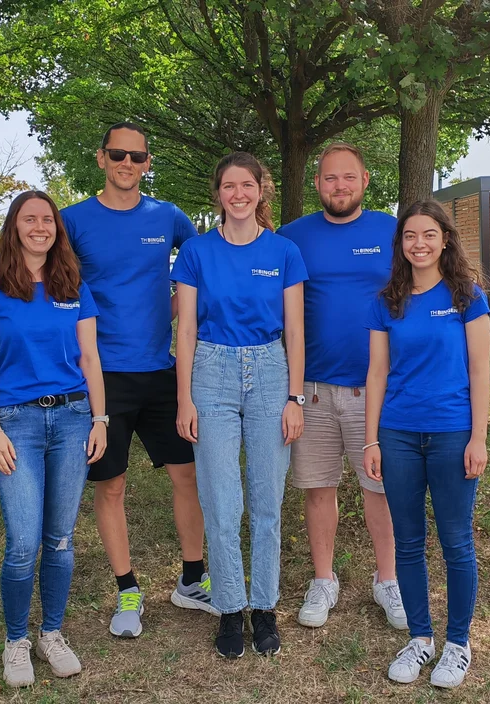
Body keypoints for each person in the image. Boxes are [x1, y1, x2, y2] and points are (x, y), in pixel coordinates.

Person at [60, 122, 215, 639]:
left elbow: (202, 267)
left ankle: (192, 581)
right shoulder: (73, 221)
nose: (127, 163)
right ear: (101, 158)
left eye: (137, 156)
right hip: (102, 379)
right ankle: (128, 588)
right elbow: (51, 287)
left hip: (161, 373)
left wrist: (174, 307)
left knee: (187, 475)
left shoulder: (168, 217)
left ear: (148, 162)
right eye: (118, 154)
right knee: (111, 484)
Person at [0, 190, 109, 688]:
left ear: (56, 229)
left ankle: (51, 633)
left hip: (72, 420)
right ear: (14, 228)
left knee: (61, 539)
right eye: (29, 219)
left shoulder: (74, 286)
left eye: (47, 219)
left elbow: (90, 360)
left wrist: (100, 419)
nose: (40, 227)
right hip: (16, 425)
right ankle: (16, 641)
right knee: (24, 543)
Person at [171, 152, 307, 658]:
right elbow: (184, 329)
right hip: (211, 371)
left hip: (271, 371)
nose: (238, 194)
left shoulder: (285, 251)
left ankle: (264, 607)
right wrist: (184, 396)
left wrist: (295, 396)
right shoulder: (196, 252)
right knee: (222, 498)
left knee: (267, 498)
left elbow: (295, 330)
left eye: (246, 185)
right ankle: (230, 608)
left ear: (261, 191)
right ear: (219, 194)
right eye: (229, 186)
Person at [362, 199, 490, 689]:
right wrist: (372, 439)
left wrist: (478, 437)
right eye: (410, 235)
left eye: (428, 235)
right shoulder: (387, 301)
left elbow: (480, 371)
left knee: (456, 541)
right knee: (409, 541)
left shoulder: (466, 296)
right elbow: (377, 373)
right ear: (400, 244)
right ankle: (420, 638)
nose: (419, 244)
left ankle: (457, 644)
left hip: (453, 433)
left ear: (444, 240)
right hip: (397, 434)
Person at [278, 142, 406, 631]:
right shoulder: (293, 238)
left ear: (366, 180)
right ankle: (324, 579)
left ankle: (388, 580)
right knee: (318, 488)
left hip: (374, 390)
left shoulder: (390, 232)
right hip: (310, 389)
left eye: (348, 177)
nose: (339, 187)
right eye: (330, 178)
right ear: (317, 184)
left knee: (380, 488)